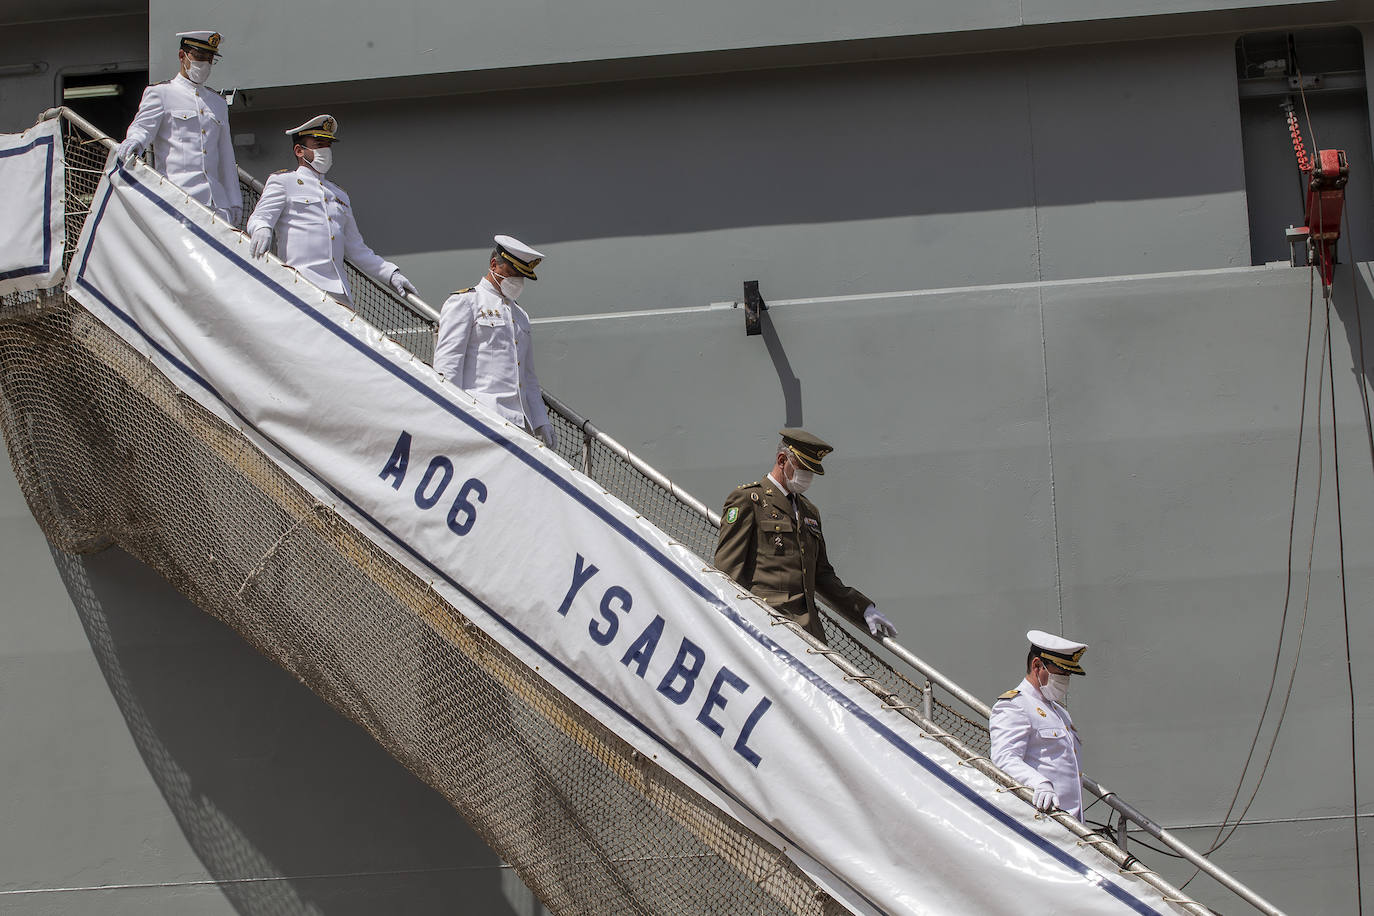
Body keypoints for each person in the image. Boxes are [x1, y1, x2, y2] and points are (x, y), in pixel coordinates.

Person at [714, 429, 896, 643]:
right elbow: (727, 572)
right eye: (803, 468)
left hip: (808, 634)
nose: (807, 477)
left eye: (811, 472)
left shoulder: (809, 511)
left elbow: (823, 575)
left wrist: (862, 608)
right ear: (782, 460)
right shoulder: (750, 500)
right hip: (766, 627)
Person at [245, 115, 416, 306]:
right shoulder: (284, 182)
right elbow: (261, 216)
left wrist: (390, 273)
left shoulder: (340, 195)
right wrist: (261, 228)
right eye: (319, 144)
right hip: (301, 284)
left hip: (339, 292)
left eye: (328, 145)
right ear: (299, 150)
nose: (325, 150)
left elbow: (357, 249)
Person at [433, 236, 557, 448]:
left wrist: (540, 420)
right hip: (482, 416)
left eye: (522, 276)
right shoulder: (466, 302)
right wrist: (450, 416)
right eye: (513, 273)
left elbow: (528, 376)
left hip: (520, 425)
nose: (517, 281)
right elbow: (448, 364)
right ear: (494, 265)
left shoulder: (520, 315)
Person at [116, 30, 243, 225]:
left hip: (217, 205)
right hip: (179, 198)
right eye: (199, 57)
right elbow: (143, 126)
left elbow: (226, 154)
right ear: (182, 55)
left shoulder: (218, 103)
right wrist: (135, 141)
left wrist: (234, 202)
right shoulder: (161, 93)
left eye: (210, 59)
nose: (205, 64)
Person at [989, 629, 1088, 821]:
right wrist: (1039, 783)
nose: (1065, 679)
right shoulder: (1014, 705)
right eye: (1062, 672)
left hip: (1071, 822)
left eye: (1069, 674)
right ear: (1037, 665)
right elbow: (1004, 758)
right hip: (1042, 820)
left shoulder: (1060, 713)